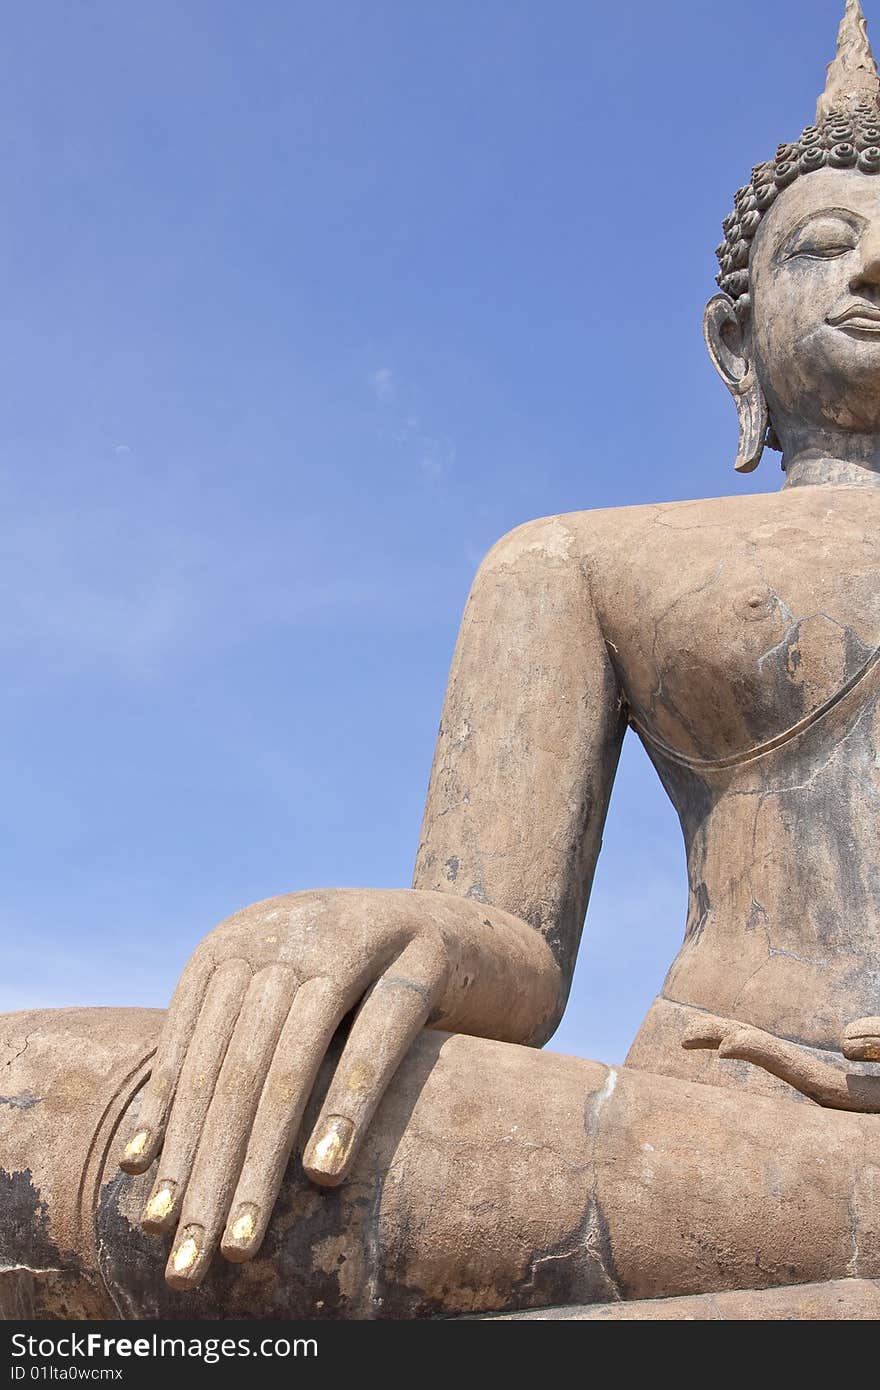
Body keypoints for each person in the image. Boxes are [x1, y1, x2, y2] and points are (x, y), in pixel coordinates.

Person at [3, 0, 880, 1322]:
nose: (871, 272)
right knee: (39, 1099)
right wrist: (379, 932)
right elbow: (512, 952)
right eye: (824, 246)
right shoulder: (578, 561)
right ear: (734, 345)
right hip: (718, 1145)